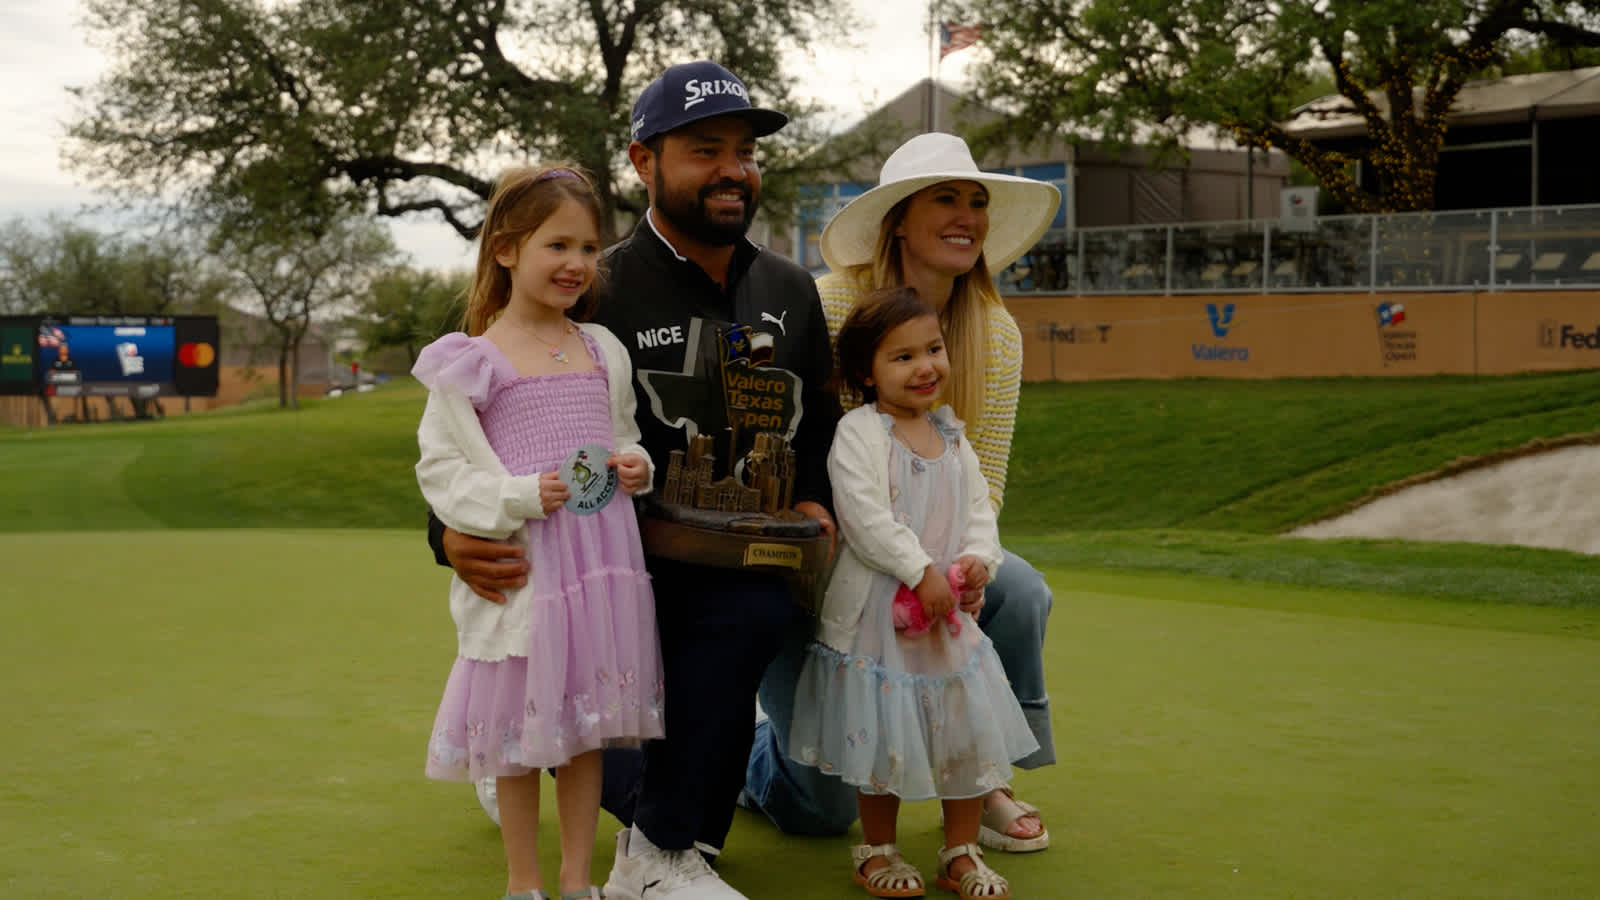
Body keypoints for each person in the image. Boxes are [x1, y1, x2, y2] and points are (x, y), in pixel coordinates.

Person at [428, 61, 840, 900]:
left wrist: (816, 503)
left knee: (753, 628)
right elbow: (477, 428)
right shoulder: (595, 284)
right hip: (614, 555)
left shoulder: (791, 290)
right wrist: (448, 537)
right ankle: (655, 848)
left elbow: (823, 424)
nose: (733, 169)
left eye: (745, 151)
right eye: (704, 150)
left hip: (744, 553)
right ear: (644, 161)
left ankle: (620, 792)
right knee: (717, 626)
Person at [744, 132, 1062, 853]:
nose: (967, 215)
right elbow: (788, 445)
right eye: (945, 198)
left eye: (977, 201)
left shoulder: (997, 336)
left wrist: (967, 571)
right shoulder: (825, 306)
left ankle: (987, 777)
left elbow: (984, 483)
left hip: (929, 558)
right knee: (820, 811)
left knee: (1021, 588)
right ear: (898, 221)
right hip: (823, 571)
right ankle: (740, 754)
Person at [413, 163, 664, 900]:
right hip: (530, 573)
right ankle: (524, 882)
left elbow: (624, 432)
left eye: (588, 248)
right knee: (520, 744)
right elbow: (444, 472)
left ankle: (577, 880)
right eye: (557, 245)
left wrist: (636, 465)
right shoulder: (473, 362)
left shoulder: (601, 349)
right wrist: (519, 496)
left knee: (584, 734)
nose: (577, 265)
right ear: (506, 250)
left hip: (600, 566)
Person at [789, 286, 1037, 900]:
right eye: (902, 357)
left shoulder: (952, 435)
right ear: (865, 375)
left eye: (932, 349)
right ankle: (877, 848)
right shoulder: (859, 432)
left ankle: (960, 849)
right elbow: (866, 518)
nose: (925, 366)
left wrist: (978, 560)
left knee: (963, 733)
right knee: (881, 733)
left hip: (946, 620)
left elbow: (979, 511)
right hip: (880, 618)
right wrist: (920, 569)